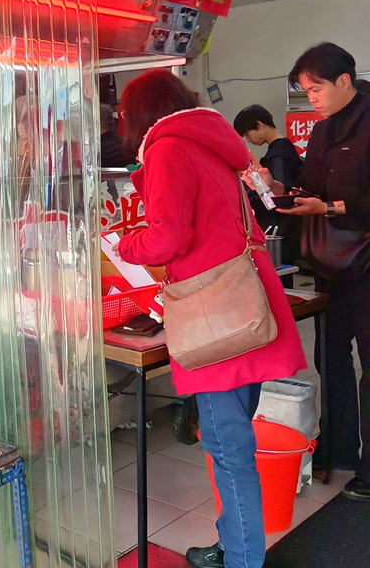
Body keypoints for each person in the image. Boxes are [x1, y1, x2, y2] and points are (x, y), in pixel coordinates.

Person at [115, 70, 305, 568]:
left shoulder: (166, 148)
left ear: (139, 114)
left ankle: (242, 559)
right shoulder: (213, 144)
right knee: (235, 439)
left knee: (228, 449)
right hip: (247, 306)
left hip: (214, 320)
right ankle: (233, 543)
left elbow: (168, 238)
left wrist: (125, 244)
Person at [262, 43, 370, 501]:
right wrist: (277, 188)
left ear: (344, 80)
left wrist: (329, 207)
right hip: (330, 262)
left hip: (366, 262)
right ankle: (338, 450)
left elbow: (338, 200)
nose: (313, 100)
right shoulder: (323, 131)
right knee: (330, 359)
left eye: (317, 89)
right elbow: (313, 187)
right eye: (306, 92)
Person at [233, 105, 303, 268]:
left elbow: (279, 195)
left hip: (281, 226)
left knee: (280, 268)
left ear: (259, 125)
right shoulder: (283, 149)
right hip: (287, 224)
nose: (248, 140)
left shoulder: (278, 154)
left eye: (247, 134)